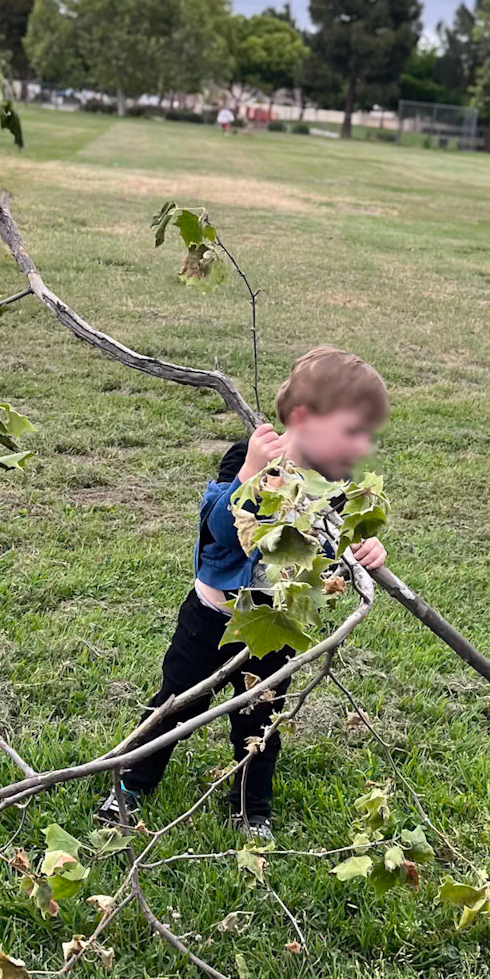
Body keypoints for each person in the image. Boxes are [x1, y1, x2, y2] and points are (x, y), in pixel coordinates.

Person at [98, 347, 389, 841]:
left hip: (275, 626)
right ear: (304, 419)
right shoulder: (245, 457)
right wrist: (251, 473)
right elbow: (216, 535)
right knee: (175, 704)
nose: (361, 448)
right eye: (352, 432)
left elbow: (333, 550)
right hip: (210, 618)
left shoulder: (334, 488)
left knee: (262, 719)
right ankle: (132, 783)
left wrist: (365, 550)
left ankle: (251, 807)